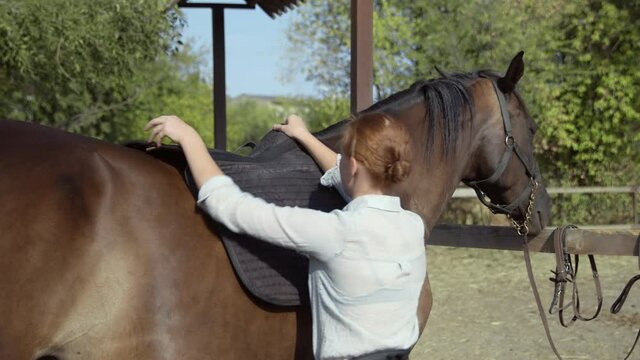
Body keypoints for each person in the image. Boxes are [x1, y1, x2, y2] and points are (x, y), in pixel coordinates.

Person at [144, 113, 427, 360]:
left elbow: (230, 206)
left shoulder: (335, 232)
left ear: (353, 165)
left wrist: (189, 136)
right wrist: (303, 136)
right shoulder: (413, 226)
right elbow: (350, 179)